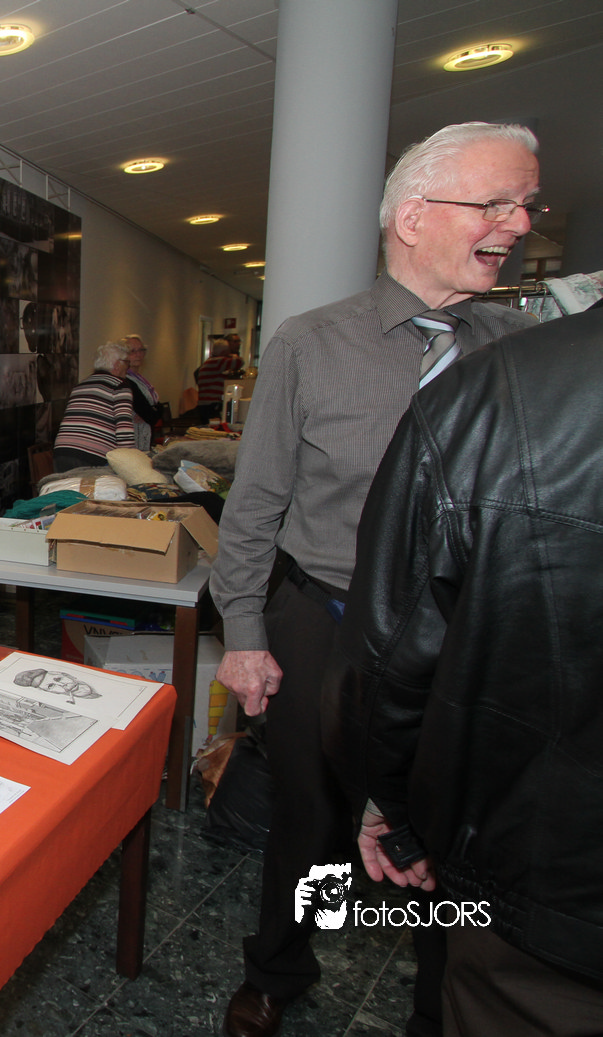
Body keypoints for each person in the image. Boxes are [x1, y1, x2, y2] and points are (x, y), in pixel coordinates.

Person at [210, 121, 542, 1037]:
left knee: (449, 834)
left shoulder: (521, 352)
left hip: (466, 639)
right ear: (412, 216)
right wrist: (243, 636)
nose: (518, 223)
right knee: (309, 818)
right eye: (495, 203)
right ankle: (278, 968)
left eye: (525, 204)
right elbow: (255, 503)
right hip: (327, 619)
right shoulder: (311, 343)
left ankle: (443, 1002)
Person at [340, 304, 603, 1037]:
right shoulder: (481, 394)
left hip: (535, 880)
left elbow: (391, 658)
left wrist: (396, 807)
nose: (508, 240)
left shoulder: (491, 389)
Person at [53, 339, 137, 470]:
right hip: (92, 457)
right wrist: (130, 462)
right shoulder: (119, 386)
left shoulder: (81, 385)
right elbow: (124, 429)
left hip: (62, 452)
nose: (128, 367)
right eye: (127, 362)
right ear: (117, 365)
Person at [122, 334, 160, 449]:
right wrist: (154, 409)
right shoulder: (125, 380)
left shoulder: (140, 379)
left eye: (141, 350)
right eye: (132, 351)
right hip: (132, 438)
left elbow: (156, 409)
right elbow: (150, 415)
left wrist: (154, 409)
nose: (138, 355)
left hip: (144, 434)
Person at [194, 335, 244, 421]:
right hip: (212, 403)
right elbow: (240, 362)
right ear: (224, 352)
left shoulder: (210, 362)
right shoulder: (218, 362)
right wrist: (234, 355)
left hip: (205, 403)